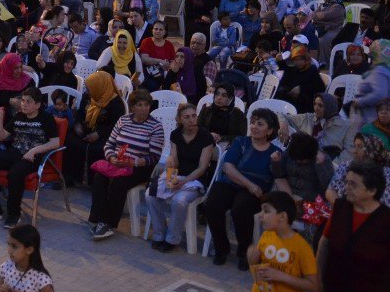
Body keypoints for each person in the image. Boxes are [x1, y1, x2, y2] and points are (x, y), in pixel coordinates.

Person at [204, 108, 281, 270]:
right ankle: (221, 247)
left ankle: (244, 251)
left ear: (271, 130)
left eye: (260, 124)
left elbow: (277, 178)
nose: (254, 127)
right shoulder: (241, 142)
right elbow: (228, 167)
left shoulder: (276, 153)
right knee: (212, 204)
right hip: (233, 183)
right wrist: (250, 185)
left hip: (256, 193)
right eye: (252, 123)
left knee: (240, 209)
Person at [0, 87, 61, 228]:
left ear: (38, 105)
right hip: (14, 152)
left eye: (28, 102)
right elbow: (0, 137)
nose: (24, 104)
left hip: (32, 157)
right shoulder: (18, 116)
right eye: (22, 101)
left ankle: (13, 214)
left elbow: (55, 142)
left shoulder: (46, 118)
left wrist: (34, 150)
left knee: (15, 174)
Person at [87, 90, 163, 240]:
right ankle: (97, 218)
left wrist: (132, 162)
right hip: (117, 163)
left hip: (139, 167)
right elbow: (109, 143)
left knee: (119, 183)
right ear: (132, 107)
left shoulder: (155, 127)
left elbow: (154, 157)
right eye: (140, 105)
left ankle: (108, 223)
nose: (144, 108)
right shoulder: (123, 120)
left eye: (147, 105)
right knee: (99, 178)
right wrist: (112, 157)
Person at [318, 159, 390, 292]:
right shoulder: (341, 207)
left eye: (353, 185)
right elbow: (325, 243)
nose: (346, 188)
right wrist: (319, 280)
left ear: (371, 191)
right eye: (346, 182)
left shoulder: (386, 221)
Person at [146, 102, 214, 253]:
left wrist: (183, 181)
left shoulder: (206, 137)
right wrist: (171, 173)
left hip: (195, 178)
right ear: (179, 120)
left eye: (194, 116)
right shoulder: (175, 135)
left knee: (179, 200)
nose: (191, 120)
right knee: (150, 194)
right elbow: (174, 161)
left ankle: (172, 238)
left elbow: (202, 168)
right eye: (187, 117)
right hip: (178, 173)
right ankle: (159, 233)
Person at [248, 191, 319, 292]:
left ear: (282, 216)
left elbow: (313, 285)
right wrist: (251, 257)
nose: (261, 216)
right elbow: (256, 269)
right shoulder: (266, 235)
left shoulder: (302, 247)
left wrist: (280, 276)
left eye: (266, 211)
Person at [0, 224, 55, 292]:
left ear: (29, 250)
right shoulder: (6, 267)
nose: (9, 250)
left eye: (14, 246)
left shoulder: (41, 280)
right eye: (8, 244)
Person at [276, 44, 325, 113]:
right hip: (289, 102)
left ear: (305, 58)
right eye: (295, 60)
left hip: (306, 106)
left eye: (301, 59)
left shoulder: (311, 70)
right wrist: (290, 91)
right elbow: (282, 84)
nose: (298, 62)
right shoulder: (291, 69)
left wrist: (301, 88)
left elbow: (320, 88)